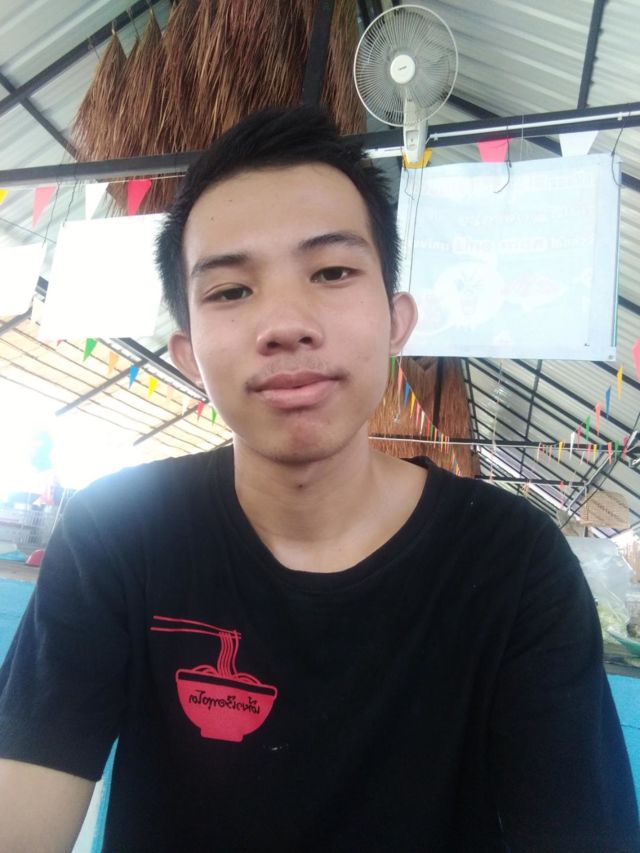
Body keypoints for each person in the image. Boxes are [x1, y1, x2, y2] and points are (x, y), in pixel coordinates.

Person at [0, 106, 637, 853]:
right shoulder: (118, 532)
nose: (285, 323)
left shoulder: (510, 561)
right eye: (230, 291)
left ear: (397, 321)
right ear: (188, 355)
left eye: (332, 272)